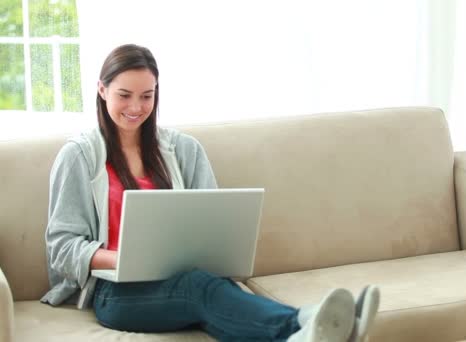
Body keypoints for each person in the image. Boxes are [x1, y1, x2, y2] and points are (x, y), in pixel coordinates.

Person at [41, 44, 380, 342]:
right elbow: (62, 246)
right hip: (114, 292)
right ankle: (309, 321)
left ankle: (316, 333)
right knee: (199, 289)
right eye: (124, 95)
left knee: (219, 303)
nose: (136, 107)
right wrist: (124, 259)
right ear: (102, 90)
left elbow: (211, 225)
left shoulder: (185, 150)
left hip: (183, 280)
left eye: (147, 95)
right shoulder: (79, 156)